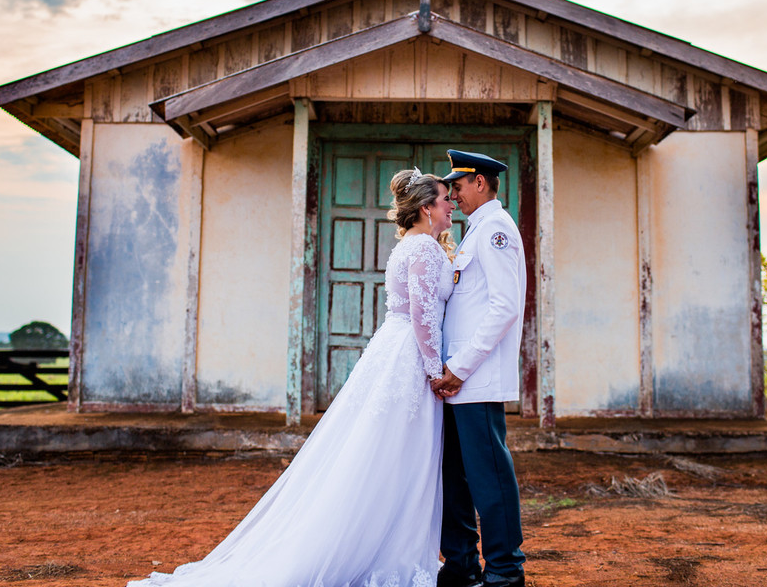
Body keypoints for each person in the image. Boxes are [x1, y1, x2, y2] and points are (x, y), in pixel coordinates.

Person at [128, 167, 456, 587]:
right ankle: (391, 554)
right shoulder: (426, 251)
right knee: (403, 455)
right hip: (411, 359)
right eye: (446, 200)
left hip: (393, 351)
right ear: (428, 208)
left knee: (383, 453)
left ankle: (386, 545)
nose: (451, 207)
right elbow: (423, 318)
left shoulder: (407, 247)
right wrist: (436, 373)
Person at [431, 150, 528, 587]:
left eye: (459, 186)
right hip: (456, 381)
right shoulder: (475, 232)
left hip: (476, 379)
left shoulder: (495, 231)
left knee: (489, 481)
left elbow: (504, 306)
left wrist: (461, 367)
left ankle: (506, 573)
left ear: (481, 184)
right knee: (455, 479)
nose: (454, 194)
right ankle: (461, 565)